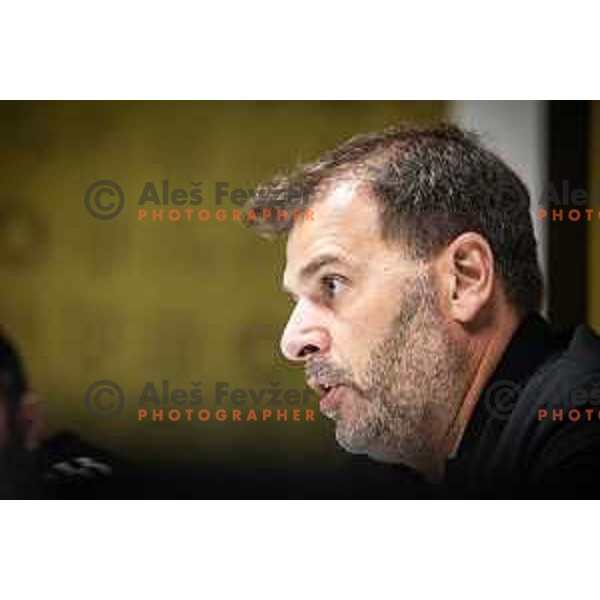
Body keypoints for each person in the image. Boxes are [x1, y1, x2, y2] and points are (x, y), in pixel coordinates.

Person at [249, 124, 600, 498]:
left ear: (464, 279)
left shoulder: (582, 434)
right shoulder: (389, 468)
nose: (291, 342)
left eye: (331, 283)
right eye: (296, 301)